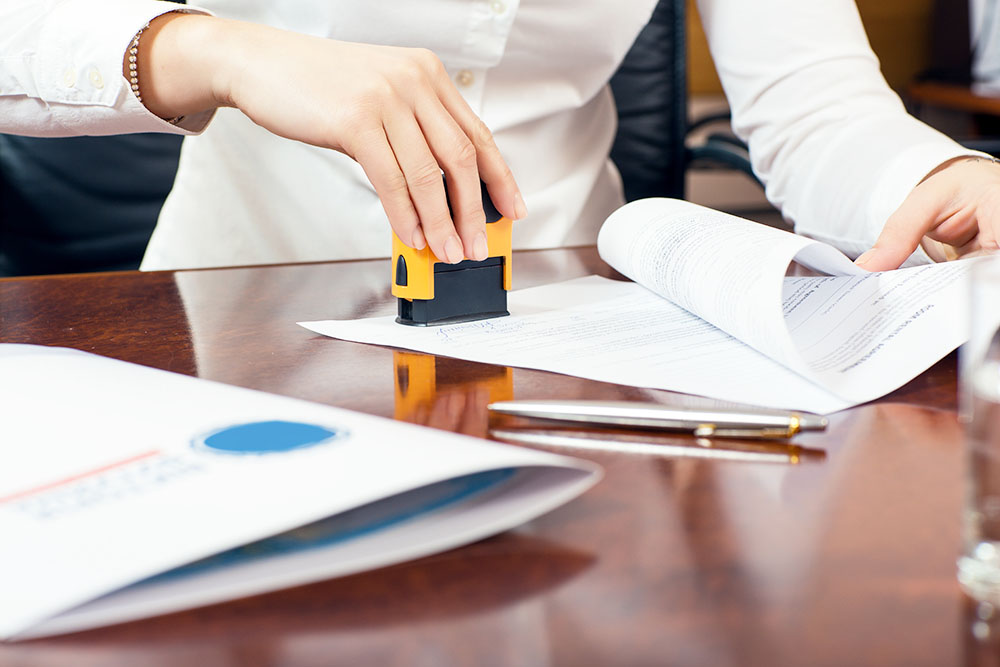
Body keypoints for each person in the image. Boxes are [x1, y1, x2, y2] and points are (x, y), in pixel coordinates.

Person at [3, 0, 998, 273]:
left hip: (579, 338)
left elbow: (813, 102)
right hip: (243, 313)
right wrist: (216, 52)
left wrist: (943, 171)